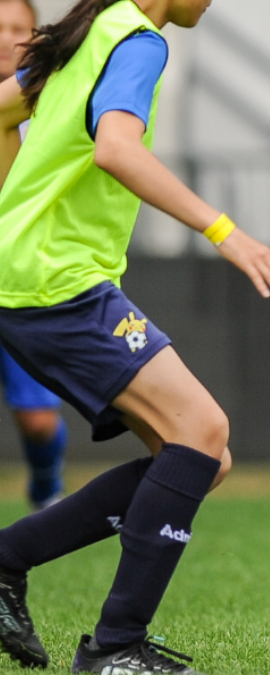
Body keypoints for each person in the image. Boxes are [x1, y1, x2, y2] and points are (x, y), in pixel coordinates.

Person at [0, 0, 270, 671]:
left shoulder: (89, 31)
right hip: (58, 282)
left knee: (200, 457)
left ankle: (9, 559)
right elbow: (116, 148)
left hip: (30, 278)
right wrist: (226, 232)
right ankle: (115, 647)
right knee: (203, 429)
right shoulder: (138, 40)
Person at [0, 0, 69, 513]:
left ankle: (46, 487)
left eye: (16, 28)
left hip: (23, 279)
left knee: (39, 420)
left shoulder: (51, 104)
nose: (5, 38)